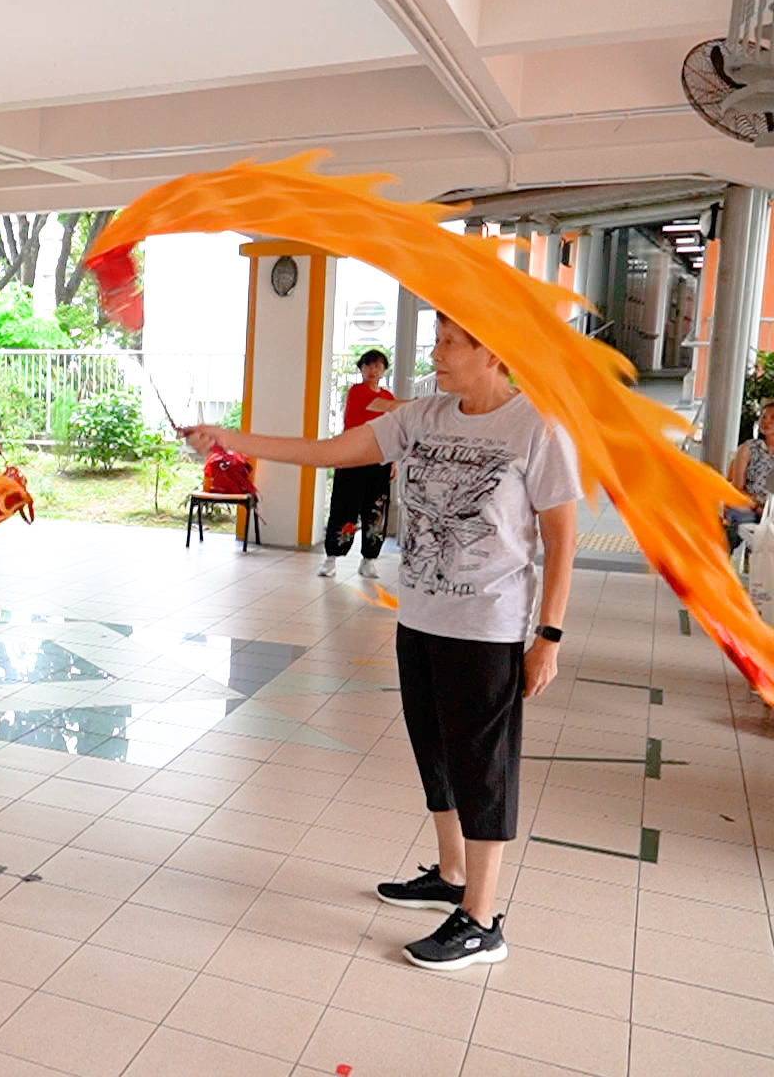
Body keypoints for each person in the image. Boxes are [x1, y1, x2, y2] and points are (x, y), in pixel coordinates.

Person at [182, 313, 580, 971]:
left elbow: (564, 543)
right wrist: (231, 436)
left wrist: (550, 635)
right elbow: (331, 451)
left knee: (484, 766)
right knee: (436, 753)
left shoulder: (535, 428)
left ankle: (481, 919)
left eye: (453, 341)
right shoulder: (423, 415)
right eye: (440, 339)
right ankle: (451, 874)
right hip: (420, 617)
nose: (437, 351)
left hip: (488, 628)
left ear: (495, 352)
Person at [320, 349, 401, 578]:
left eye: (378, 366)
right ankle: (331, 557)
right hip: (352, 457)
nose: (373, 370)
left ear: (384, 369)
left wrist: (393, 459)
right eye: (368, 365)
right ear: (361, 368)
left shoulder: (389, 397)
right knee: (344, 507)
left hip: (379, 459)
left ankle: (369, 559)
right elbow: (376, 408)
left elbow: (393, 430)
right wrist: (410, 405)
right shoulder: (357, 392)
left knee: (376, 510)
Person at [725, 405, 774, 549]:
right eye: (763, 417)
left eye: (772, 418)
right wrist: (756, 507)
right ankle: (717, 563)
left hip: (771, 510)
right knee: (742, 519)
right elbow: (737, 488)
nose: (766, 422)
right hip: (748, 506)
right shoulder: (748, 448)